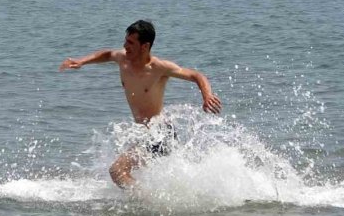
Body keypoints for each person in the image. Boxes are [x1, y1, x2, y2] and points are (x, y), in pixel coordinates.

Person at [59, 20, 222, 188]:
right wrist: (81, 61)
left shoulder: (159, 67)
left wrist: (207, 95)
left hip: (160, 132)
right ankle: (152, 201)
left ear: (145, 46)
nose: (125, 46)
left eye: (130, 43)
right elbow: (107, 54)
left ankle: (146, 203)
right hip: (144, 134)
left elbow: (196, 75)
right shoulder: (122, 59)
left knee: (117, 171)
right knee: (132, 174)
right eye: (125, 41)